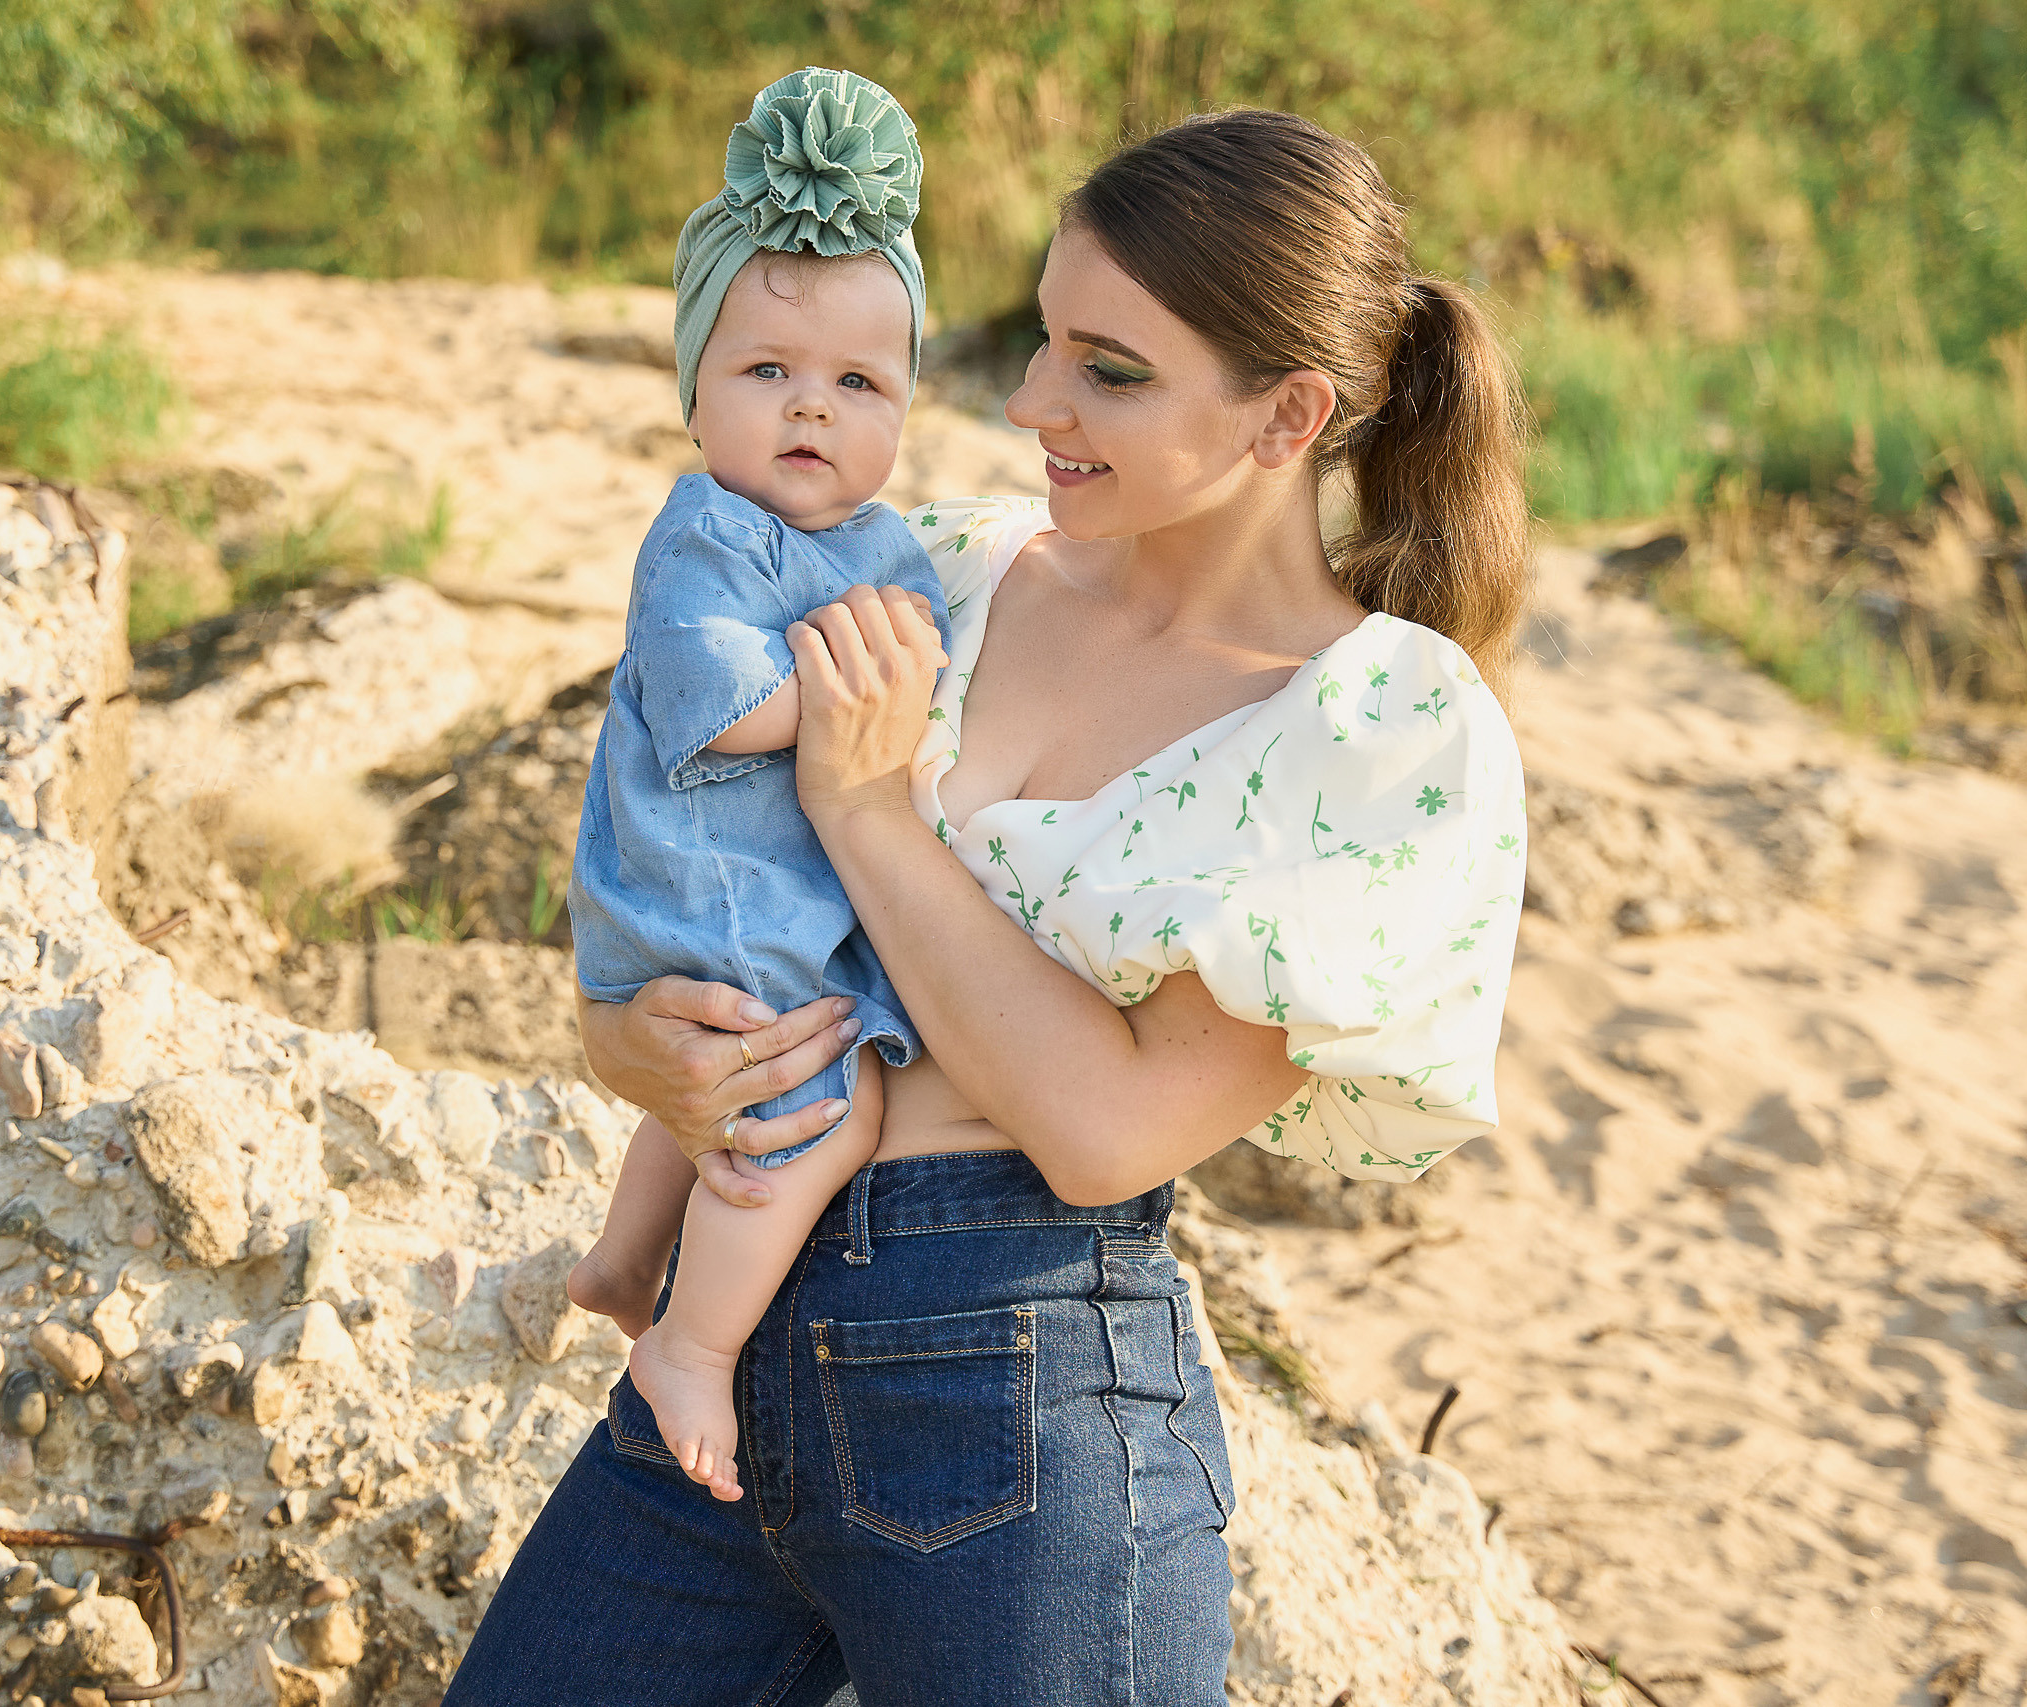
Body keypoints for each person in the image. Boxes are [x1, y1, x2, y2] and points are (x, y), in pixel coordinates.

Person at [448, 107, 1531, 1707]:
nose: (1029, 403)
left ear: (1287, 415)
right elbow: (693, 845)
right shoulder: (940, 566)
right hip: (720, 1344)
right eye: (1041, 339)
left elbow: (1106, 1128)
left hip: (1018, 1389)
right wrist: (631, 1044)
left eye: (1109, 367)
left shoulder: (1377, 728)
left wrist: (872, 808)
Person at [562, 66, 951, 1504]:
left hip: (750, 894)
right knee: (818, 1107)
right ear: (695, 390)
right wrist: (854, 708)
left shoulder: (881, 541)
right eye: (767, 374)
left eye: (859, 383)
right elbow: (715, 704)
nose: (812, 409)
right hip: (699, 885)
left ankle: (618, 1259)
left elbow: (937, 663)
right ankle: (694, 1345)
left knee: (715, 1088)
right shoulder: (703, 537)